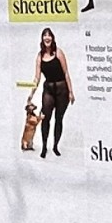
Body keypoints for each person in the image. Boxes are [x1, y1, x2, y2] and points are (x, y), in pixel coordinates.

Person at [32, 28, 75, 156]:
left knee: (59, 119)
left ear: (52, 38)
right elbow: (37, 77)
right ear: (42, 39)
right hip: (49, 89)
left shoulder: (58, 53)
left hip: (62, 88)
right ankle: (44, 146)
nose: (47, 38)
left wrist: (71, 91)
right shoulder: (39, 56)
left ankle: (55, 146)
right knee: (46, 118)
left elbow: (66, 73)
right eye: (45, 35)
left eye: (49, 35)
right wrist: (31, 93)